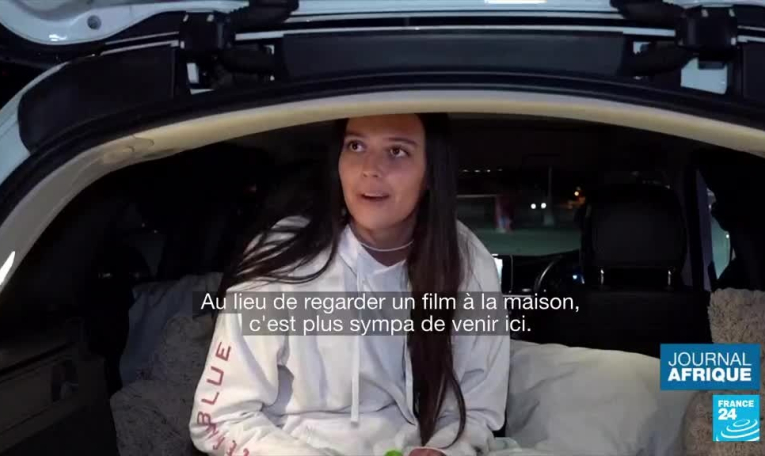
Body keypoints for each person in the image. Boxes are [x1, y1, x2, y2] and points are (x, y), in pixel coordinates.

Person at [189, 113, 509, 456]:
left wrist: (444, 451)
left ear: (431, 172)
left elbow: (474, 411)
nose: (370, 169)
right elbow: (218, 420)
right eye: (356, 146)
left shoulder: (465, 259)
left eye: (397, 151)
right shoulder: (284, 255)